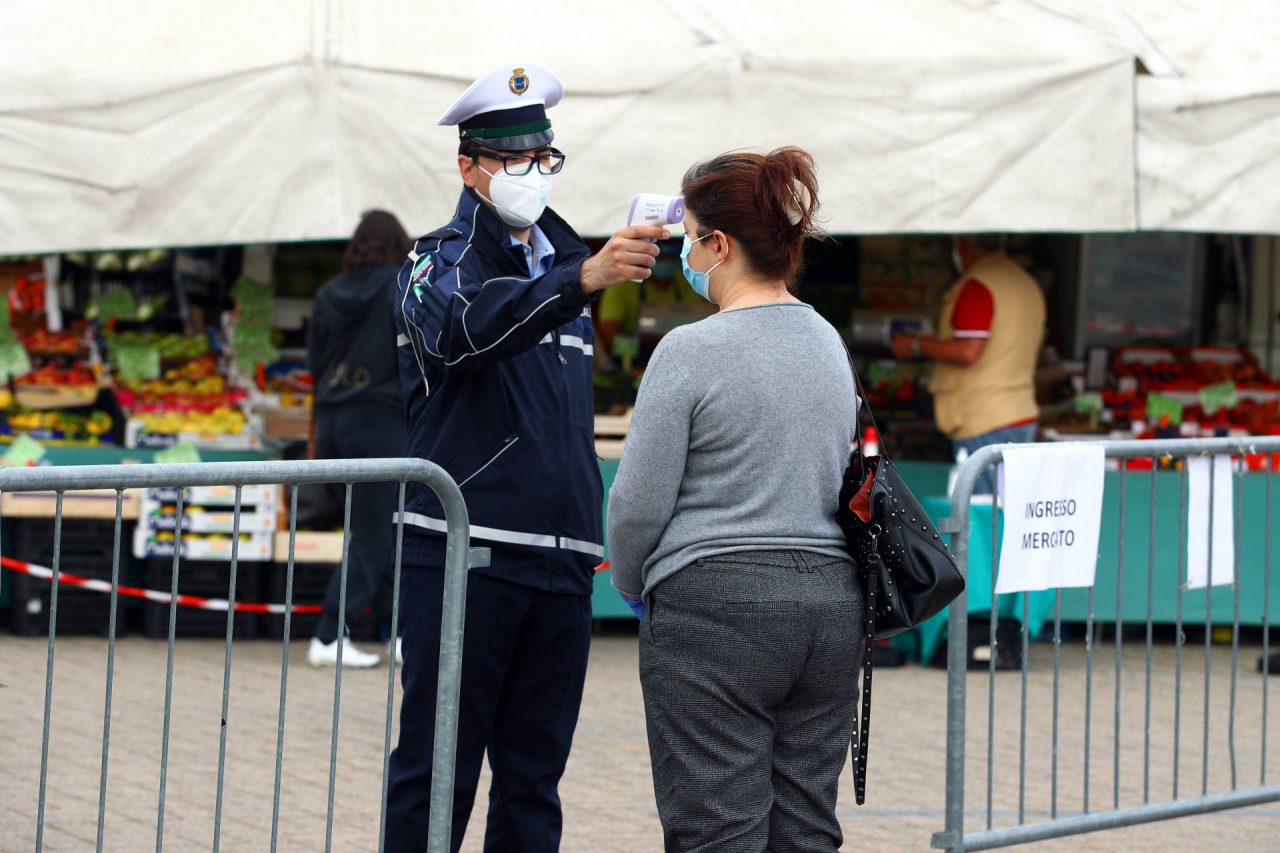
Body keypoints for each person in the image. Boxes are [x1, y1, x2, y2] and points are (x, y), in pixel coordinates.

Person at [384, 63, 668, 852]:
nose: (531, 175)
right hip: (463, 556)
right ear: (469, 166)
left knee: (534, 779)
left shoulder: (567, 263)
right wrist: (579, 279)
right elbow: (463, 332)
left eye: (544, 159)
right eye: (513, 160)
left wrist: (585, 524)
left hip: (561, 563)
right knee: (437, 769)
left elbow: (558, 420)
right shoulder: (432, 263)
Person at [608, 147, 863, 852]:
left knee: (718, 828)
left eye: (690, 239)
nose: (686, 254)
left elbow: (637, 502)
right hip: (830, 607)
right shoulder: (825, 340)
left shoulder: (690, 350)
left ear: (718, 245)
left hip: (714, 607)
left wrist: (632, 581)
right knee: (806, 824)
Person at [305, 210, 410, 668]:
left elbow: (313, 363)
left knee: (377, 530)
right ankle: (330, 634)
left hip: (331, 420)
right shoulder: (400, 286)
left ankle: (404, 634)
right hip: (380, 421)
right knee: (375, 532)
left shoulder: (328, 292)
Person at [891, 234, 1046, 493]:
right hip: (1021, 413)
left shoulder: (977, 285)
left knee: (982, 515)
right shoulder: (1025, 282)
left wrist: (915, 346)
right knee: (1009, 510)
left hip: (984, 421)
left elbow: (968, 351)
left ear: (960, 246)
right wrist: (937, 340)